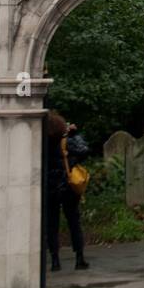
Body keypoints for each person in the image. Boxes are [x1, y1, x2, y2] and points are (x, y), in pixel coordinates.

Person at [46, 109, 90, 272]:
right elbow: (84, 150)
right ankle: (79, 257)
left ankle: (55, 259)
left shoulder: (43, 142)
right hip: (67, 186)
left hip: (50, 186)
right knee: (73, 222)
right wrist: (74, 135)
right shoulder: (67, 142)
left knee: (52, 224)